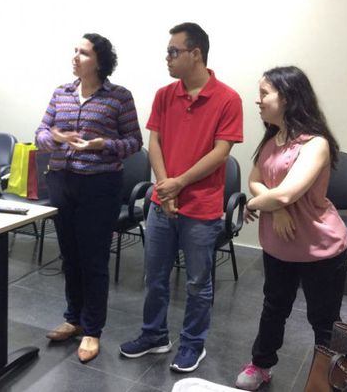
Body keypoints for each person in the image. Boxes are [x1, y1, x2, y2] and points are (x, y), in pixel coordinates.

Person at [120, 22, 243, 373]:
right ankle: (154, 335)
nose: (168, 58)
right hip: (163, 203)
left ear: (196, 54)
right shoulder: (164, 94)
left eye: (174, 52)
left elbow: (221, 153)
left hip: (201, 207)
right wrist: (164, 185)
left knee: (197, 282)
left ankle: (192, 344)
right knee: (154, 276)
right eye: (168, 52)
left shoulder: (228, 99)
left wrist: (179, 184)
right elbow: (154, 141)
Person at [234, 66, 347, 390]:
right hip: (279, 245)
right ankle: (261, 365)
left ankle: (327, 379)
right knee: (274, 308)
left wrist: (256, 204)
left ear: (286, 97)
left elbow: (286, 192)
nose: (258, 101)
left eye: (264, 94)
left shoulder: (315, 143)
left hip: (320, 247)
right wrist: (277, 208)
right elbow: (255, 180)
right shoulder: (271, 139)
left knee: (324, 321)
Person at [36, 33, 142, 363]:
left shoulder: (118, 97)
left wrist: (102, 145)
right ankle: (74, 318)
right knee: (69, 256)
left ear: (100, 61)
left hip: (100, 185)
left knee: (93, 260)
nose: (75, 57)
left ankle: (92, 329)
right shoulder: (61, 93)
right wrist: (55, 138)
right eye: (75, 51)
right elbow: (40, 133)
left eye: (83, 53)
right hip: (62, 182)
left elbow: (134, 142)